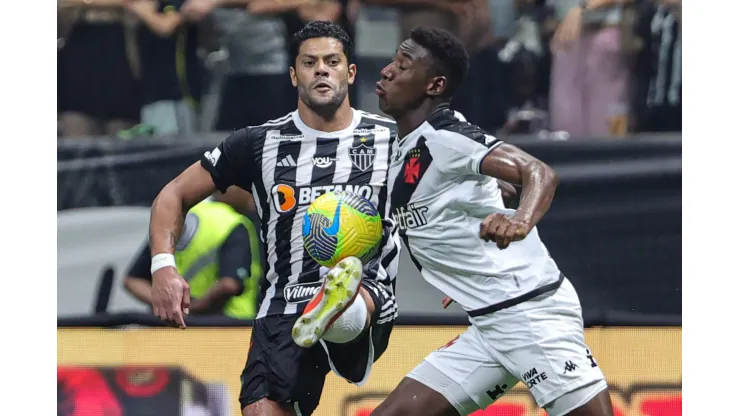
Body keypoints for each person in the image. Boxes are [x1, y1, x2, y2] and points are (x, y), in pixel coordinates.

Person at [147, 21, 401, 416]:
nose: (321, 70)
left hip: (369, 292)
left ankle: (338, 304)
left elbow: (442, 195)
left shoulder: (393, 137)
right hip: (286, 304)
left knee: (352, 301)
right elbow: (173, 194)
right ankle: (328, 309)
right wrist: (164, 266)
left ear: (350, 72)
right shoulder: (259, 142)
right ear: (293, 74)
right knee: (260, 410)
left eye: (332, 61)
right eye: (310, 62)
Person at [371, 26, 614, 416]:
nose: (386, 71)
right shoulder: (411, 145)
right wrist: (459, 271)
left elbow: (539, 172)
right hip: (490, 321)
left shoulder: (446, 137)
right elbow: (457, 198)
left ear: (434, 85)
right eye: (391, 62)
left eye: (403, 65)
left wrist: (520, 221)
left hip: (528, 313)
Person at [123, 190, 262, 319]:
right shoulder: (233, 223)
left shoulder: (179, 216)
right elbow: (229, 285)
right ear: (229, 186)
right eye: (247, 185)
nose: (252, 192)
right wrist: (193, 309)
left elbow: (133, 280)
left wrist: (170, 308)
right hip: (227, 328)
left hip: (173, 330)